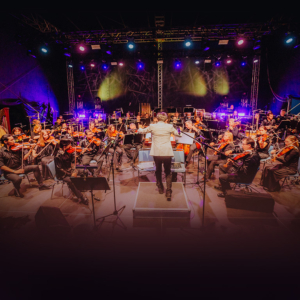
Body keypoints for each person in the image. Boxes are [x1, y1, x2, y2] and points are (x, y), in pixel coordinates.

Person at [138, 112, 181, 200]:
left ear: (157, 119)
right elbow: (178, 134)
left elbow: (141, 131)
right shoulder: (169, 126)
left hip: (157, 152)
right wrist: (179, 129)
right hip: (166, 152)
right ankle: (168, 192)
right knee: (168, 171)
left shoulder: (152, 126)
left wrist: (139, 128)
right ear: (166, 119)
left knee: (158, 170)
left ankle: (160, 188)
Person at [55, 138, 89, 205]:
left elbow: (72, 163)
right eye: (69, 145)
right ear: (64, 146)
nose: (71, 146)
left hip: (70, 170)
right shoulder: (58, 156)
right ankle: (81, 197)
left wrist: (74, 170)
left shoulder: (68, 152)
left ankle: (80, 187)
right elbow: (59, 169)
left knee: (84, 171)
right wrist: (70, 174)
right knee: (71, 181)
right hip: (63, 174)